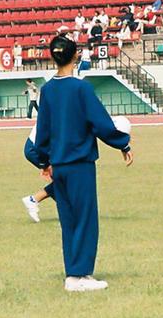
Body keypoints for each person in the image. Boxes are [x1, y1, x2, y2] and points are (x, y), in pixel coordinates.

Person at [28, 35, 133, 292]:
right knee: (85, 218)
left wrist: (43, 161)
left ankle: (72, 273)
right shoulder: (81, 88)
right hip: (80, 164)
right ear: (76, 56)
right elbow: (101, 124)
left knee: (69, 220)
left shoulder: (48, 90)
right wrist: (123, 143)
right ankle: (80, 275)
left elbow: (43, 131)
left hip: (59, 165)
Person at [21, 123, 55, 223]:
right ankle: (33, 199)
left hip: (40, 147)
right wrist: (45, 164)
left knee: (63, 179)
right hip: (36, 149)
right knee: (63, 179)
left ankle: (33, 200)